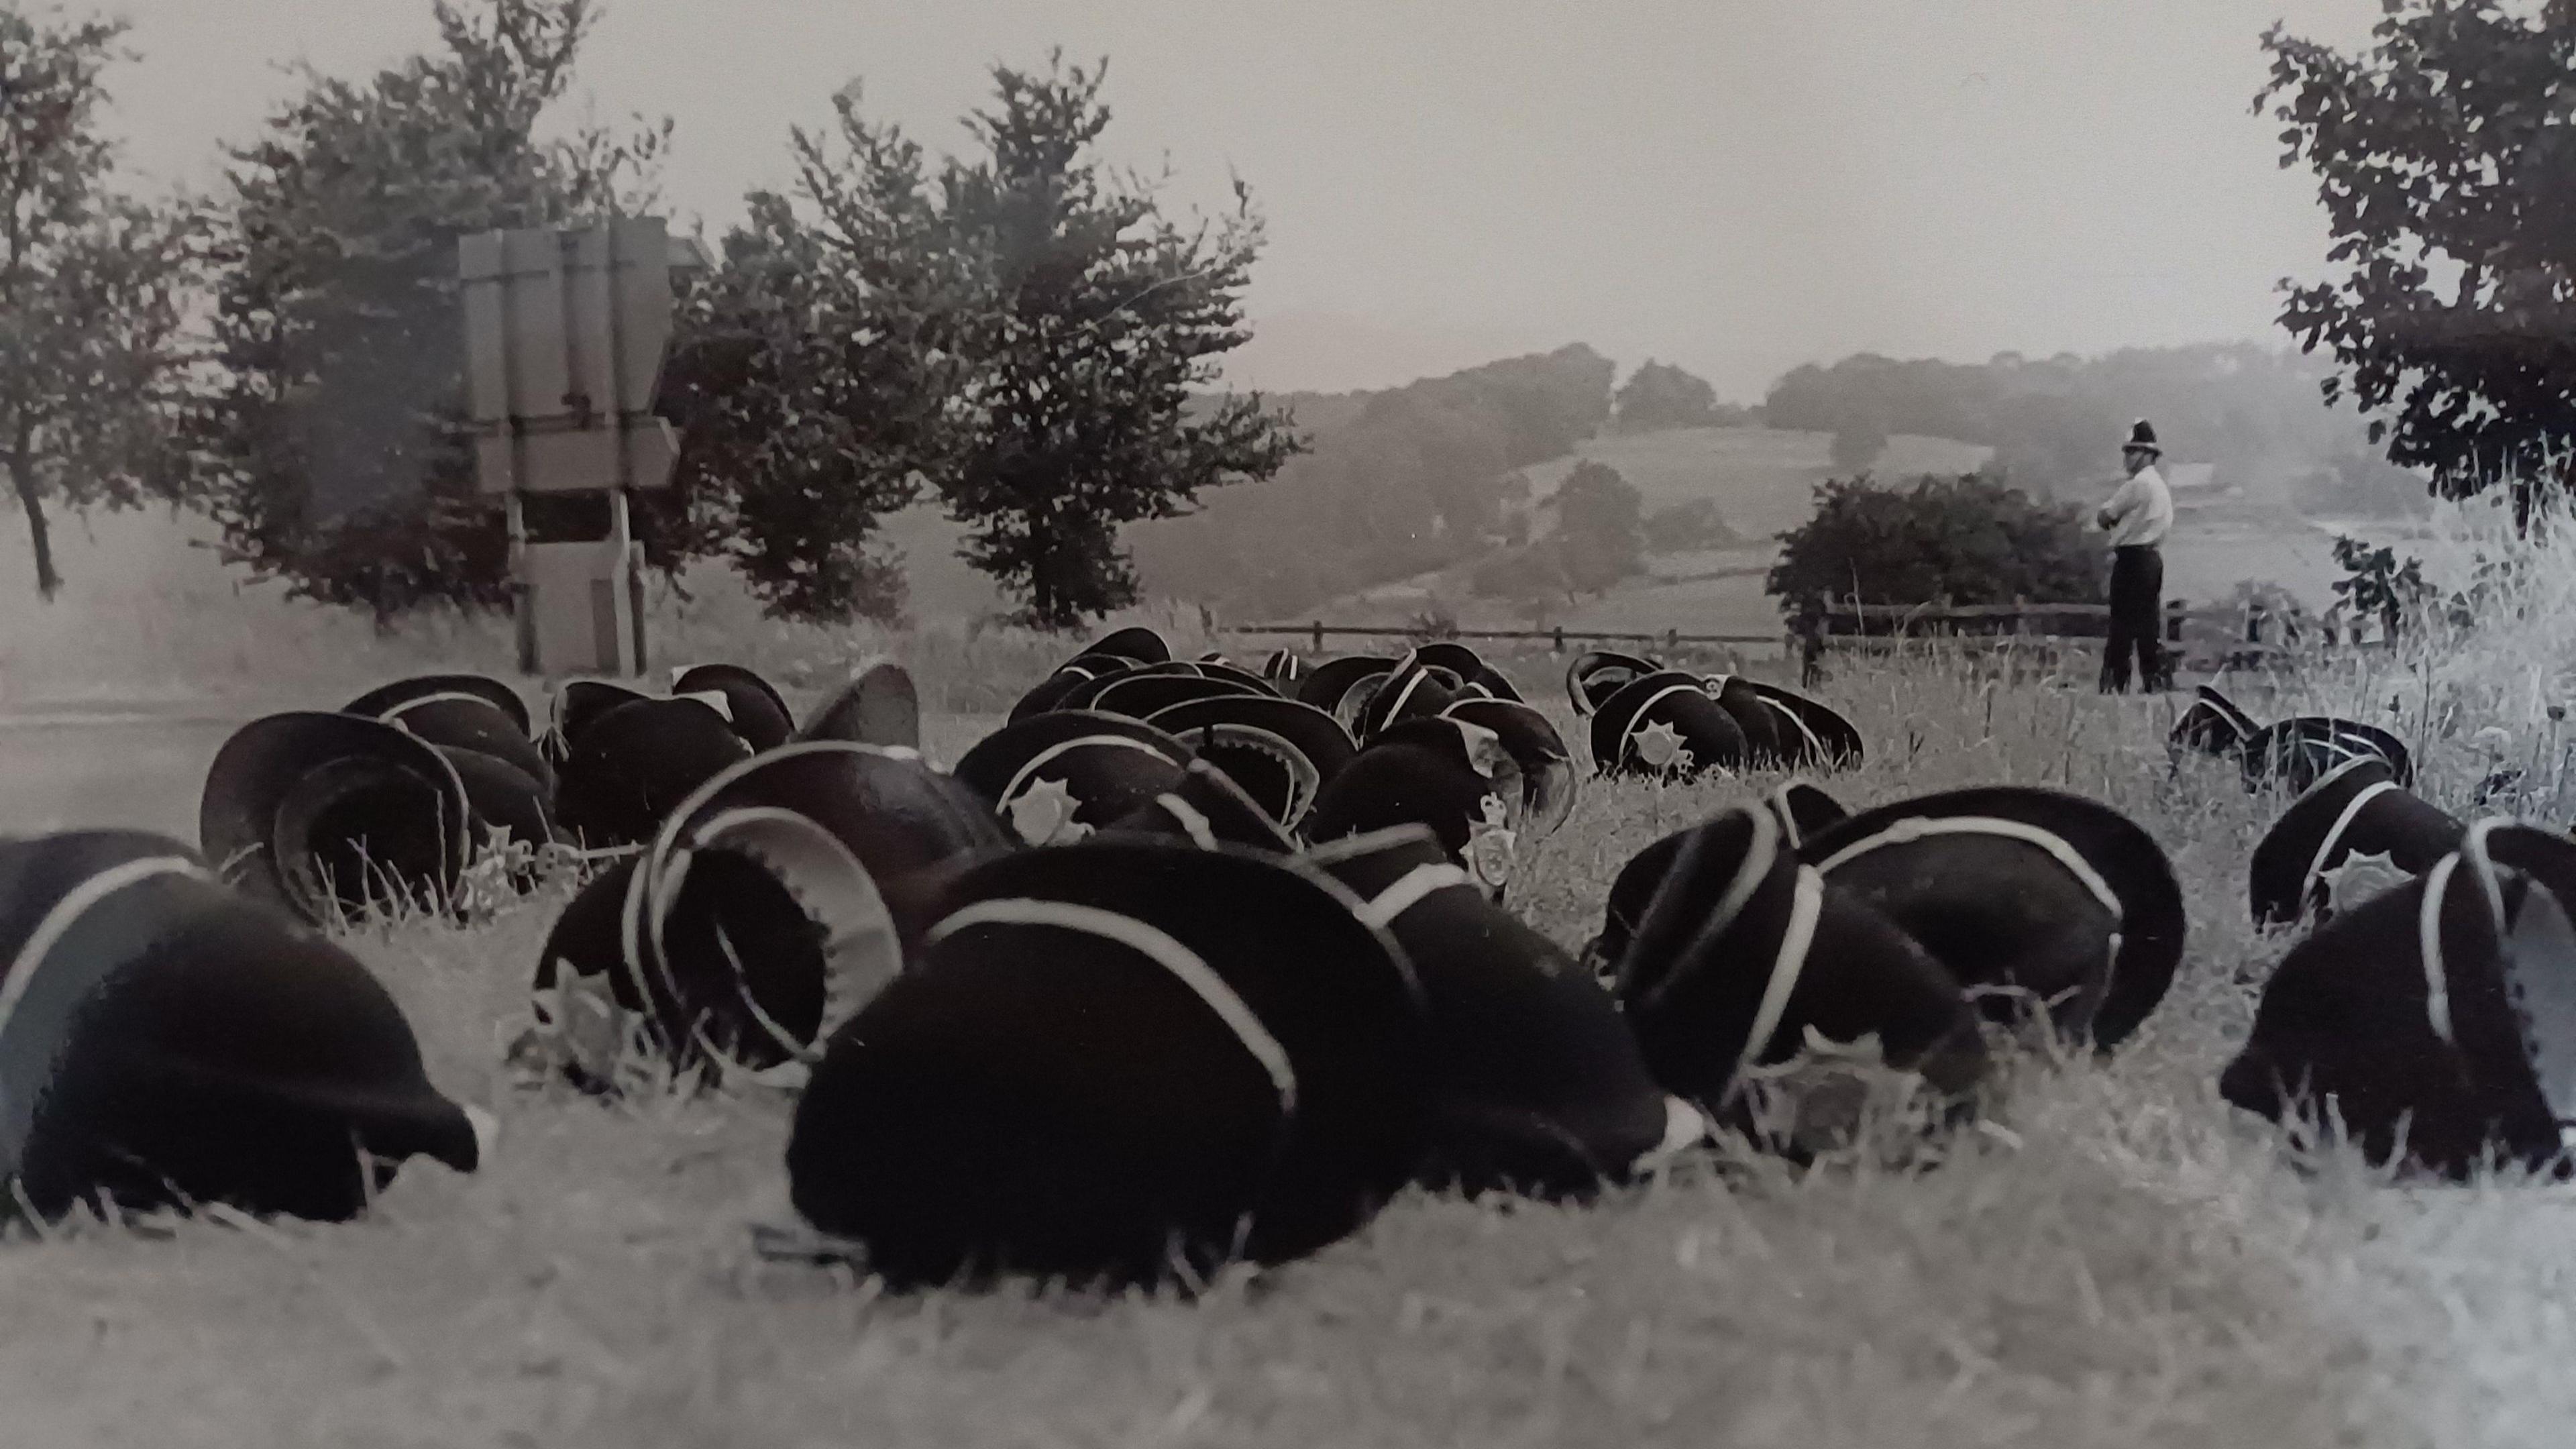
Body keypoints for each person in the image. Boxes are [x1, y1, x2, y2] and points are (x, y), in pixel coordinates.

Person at [2094, 419, 2174, 694]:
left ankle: (2115, 683)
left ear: (2147, 454)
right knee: (2148, 624)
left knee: (2122, 625)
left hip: (2131, 559)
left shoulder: (2137, 485)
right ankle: (2156, 680)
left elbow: (2107, 515)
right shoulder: (2160, 487)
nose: (2127, 458)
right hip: (2152, 559)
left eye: (2132, 451)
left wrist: (2108, 519)